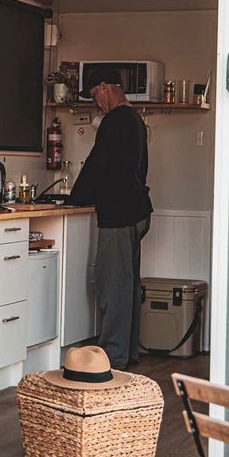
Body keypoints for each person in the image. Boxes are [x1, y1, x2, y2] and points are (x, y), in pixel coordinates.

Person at [66, 66, 152, 369]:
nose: (95, 104)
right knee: (127, 285)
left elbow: (96, 164)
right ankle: (127, 352)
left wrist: (74, 199)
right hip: (138, 210)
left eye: (94, 96)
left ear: (104, 86)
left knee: (112, 284)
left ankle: (112, 357)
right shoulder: (135, 119)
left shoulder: (115, 120)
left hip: (118, 212)